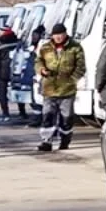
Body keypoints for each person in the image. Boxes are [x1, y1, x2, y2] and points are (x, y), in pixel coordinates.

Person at [37, 22, 86, 152]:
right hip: (49, 89)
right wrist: (41, 70)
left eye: (61, 34)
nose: (58, 37)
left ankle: (65, 140)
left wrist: (72, 79)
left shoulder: (75, 47)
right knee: (47, 116)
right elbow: (38, 61)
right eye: (56, 35)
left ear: (65, 34)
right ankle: (46, 141)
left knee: (66, 118)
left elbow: (81, 67)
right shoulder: (45, 47)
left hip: (67, 90)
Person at [0, 27, 18, 122]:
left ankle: (5, 114)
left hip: (1, 70)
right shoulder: (16, 40)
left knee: (2, 93)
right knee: (18, 90)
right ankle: (22, 112)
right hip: (15, 70)